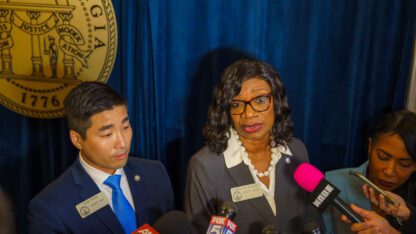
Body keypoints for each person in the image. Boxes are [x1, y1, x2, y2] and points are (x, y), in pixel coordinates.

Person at [185, 59, 323, 233]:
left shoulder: (297, 150)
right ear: (226, 110)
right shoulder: (205, 165)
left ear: (277, 101)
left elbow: (312, 220)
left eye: (259, 101)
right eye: (236, 104)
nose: (249, 114)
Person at [28, 82, 174, 234]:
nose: (122, 143)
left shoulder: (156, 174)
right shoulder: (51, 208)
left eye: (125, 127)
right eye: (107, 134)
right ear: (77, 139)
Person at [323, 110, 416, 234]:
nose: (389, 171)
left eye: (405, 164)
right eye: (383, 157)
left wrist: (410, 217)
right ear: (370, 146)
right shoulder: (333, 183)